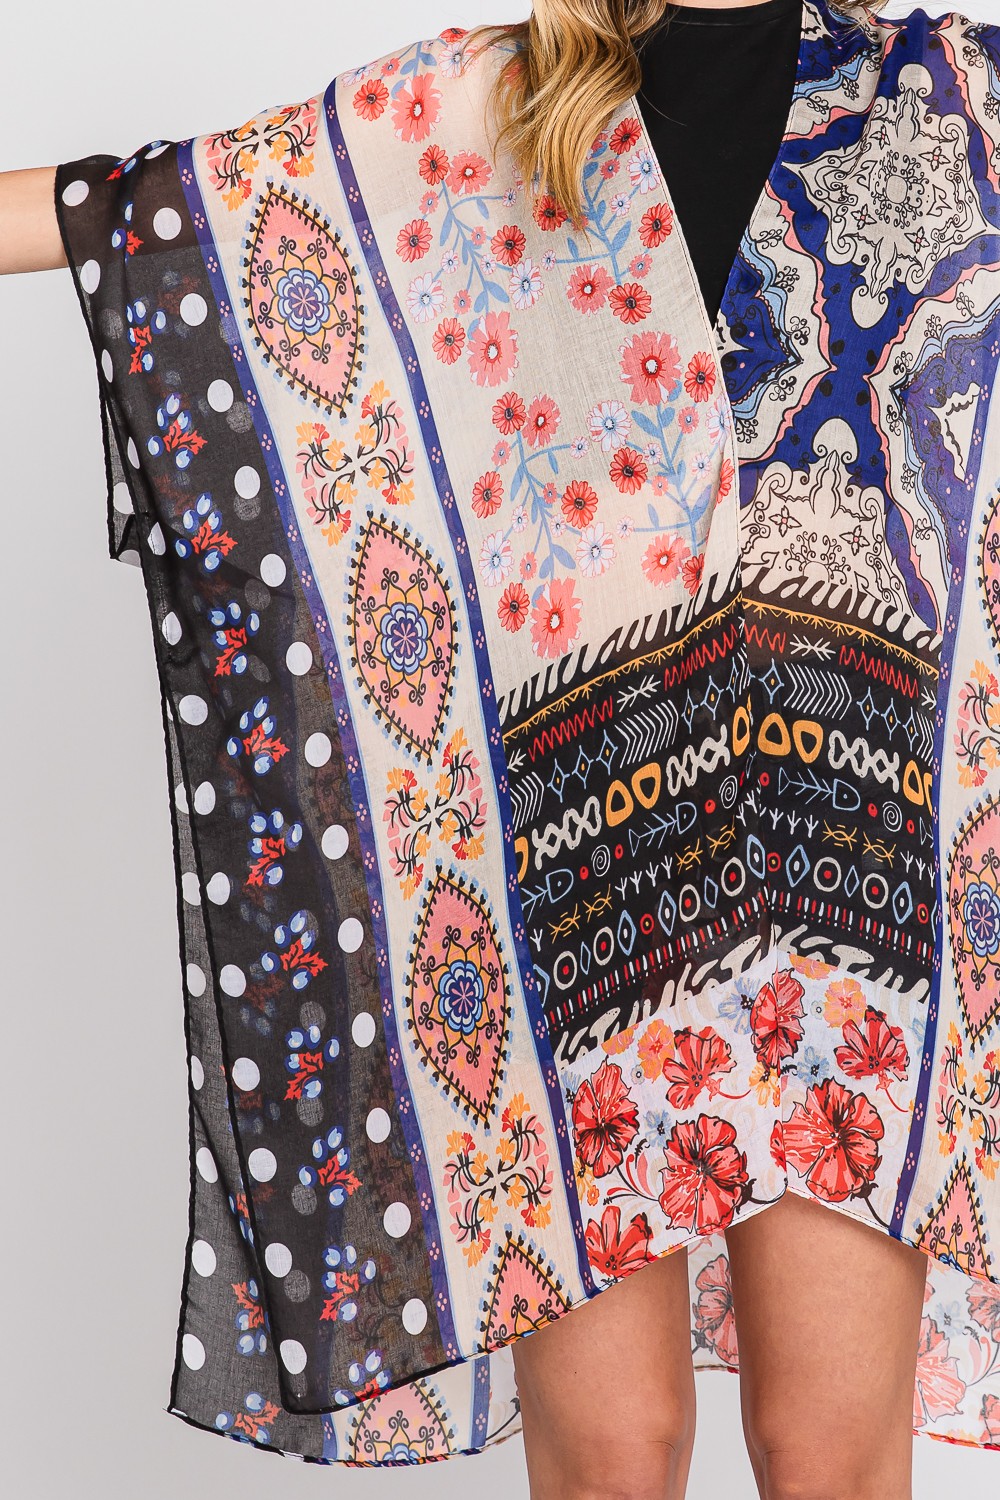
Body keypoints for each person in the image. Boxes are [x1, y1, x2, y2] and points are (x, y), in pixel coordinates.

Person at [3, 0, 1000, 1494]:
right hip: (578, 874)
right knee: (612, 1457)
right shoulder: (495, 106)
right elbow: (174, 212)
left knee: (830, 1456)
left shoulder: (952, 95)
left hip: (858, 881)